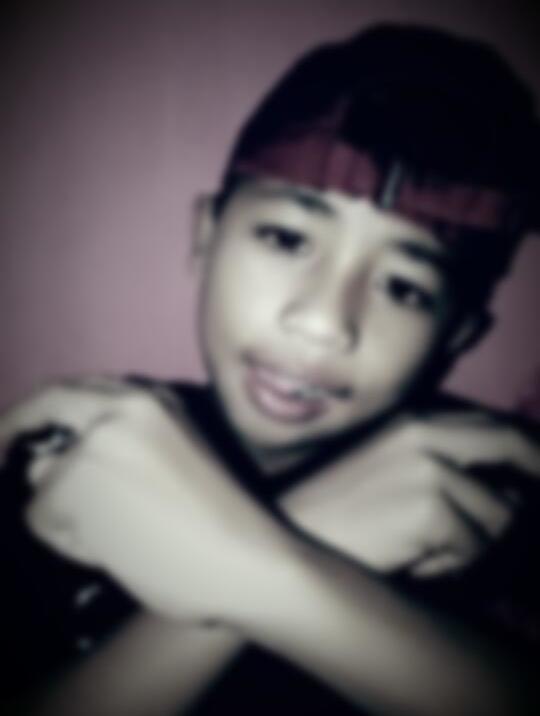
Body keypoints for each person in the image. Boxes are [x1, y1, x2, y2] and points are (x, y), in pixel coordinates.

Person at [1, 22, 540, 715]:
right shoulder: (68, 456)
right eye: (286, 238)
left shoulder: (499, 503)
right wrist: (301, 547)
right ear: (205, 237)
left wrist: (270, 562)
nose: (323, 322)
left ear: (457, 335)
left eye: (404, 288)